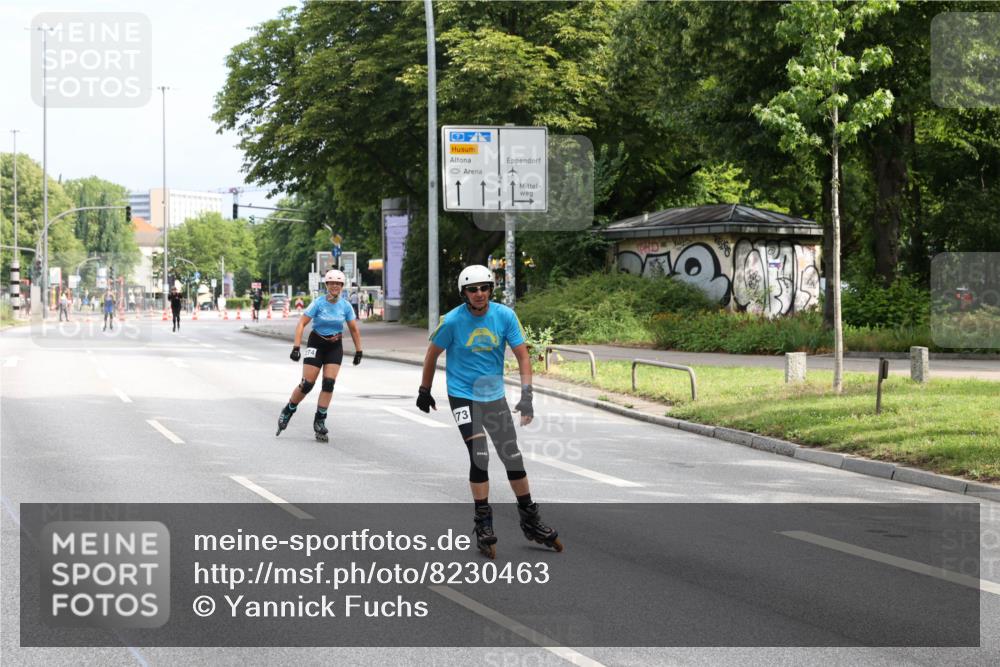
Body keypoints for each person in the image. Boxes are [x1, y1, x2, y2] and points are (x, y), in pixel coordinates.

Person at [416, 264, 561, 559]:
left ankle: (530, 519)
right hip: (462, 396)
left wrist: (527, 396)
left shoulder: (505, 316)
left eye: (484, 288)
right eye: (473, 289)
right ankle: (483, 523)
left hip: (493, 396)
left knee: (512, 456)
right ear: (464, 293)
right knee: (480, 455)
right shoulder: (452, 321)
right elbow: (432, 353)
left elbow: (522, 356)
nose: (479, 293)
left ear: (491, 290)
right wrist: (424, 389)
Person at [276, 269, 363, 442]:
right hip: (316, 343)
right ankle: (289, 409)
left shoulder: (345, 306)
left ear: (342, 286)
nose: (335, 286)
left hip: (334, 346)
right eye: (332, 283)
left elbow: (353, 329)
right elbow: (301, 324)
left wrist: (359, 351)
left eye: (338, 284)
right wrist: (296, 347)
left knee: (329, 383)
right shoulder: (318, 303)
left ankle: (320, 420)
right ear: (327, 285)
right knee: (307, 384)